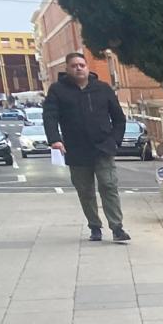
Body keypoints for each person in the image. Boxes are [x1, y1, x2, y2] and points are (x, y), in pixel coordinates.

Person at [43, 51, 129, 242]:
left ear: (87, 67)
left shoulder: (102, 89)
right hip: (76, 149)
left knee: (108, 185)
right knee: (85, 190)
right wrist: (55, 139)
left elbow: (119, 119)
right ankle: (95, 227)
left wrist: (115, 140)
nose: (79, 68)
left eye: (82, 65)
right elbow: (50, 116)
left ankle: (117, 228)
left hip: (103, 147)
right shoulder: (58, 90)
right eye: (74, 65)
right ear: (67, 69)